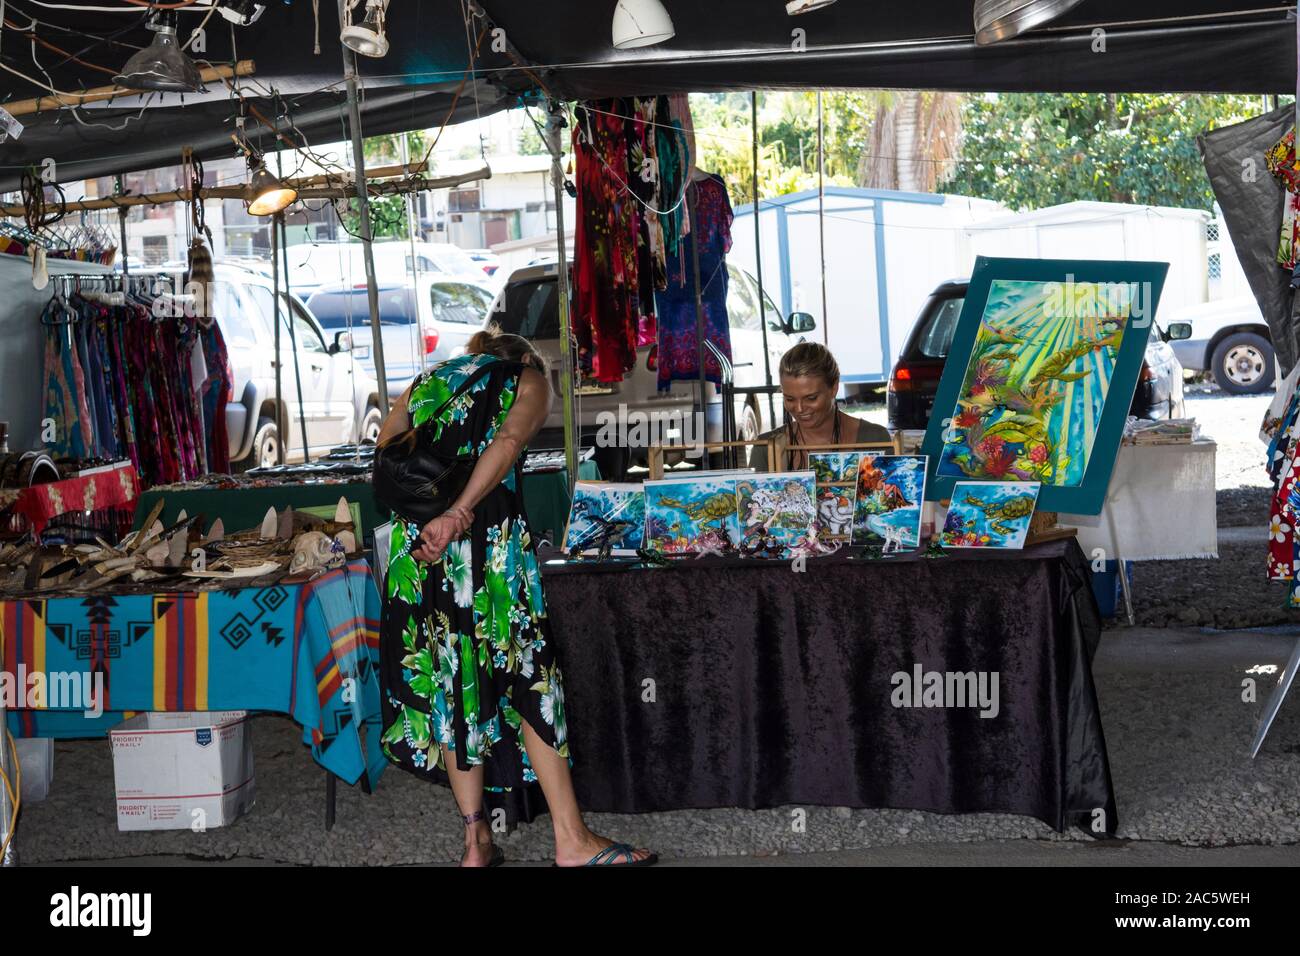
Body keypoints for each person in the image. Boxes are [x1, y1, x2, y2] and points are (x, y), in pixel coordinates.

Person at [376, 327, 657, 868]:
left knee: (454, 688)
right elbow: (507, 443)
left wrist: (430, 522)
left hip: (421, 552)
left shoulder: (426, 382)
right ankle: (571, 839)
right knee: (531, 677)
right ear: (524, 359)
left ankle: (475, 842)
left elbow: (387, 453)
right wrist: (459, 512)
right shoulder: (528, 379)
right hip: (489, 549)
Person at [749, 342, 894, 472]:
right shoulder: (766, 448)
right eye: (790, 399)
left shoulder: (874, 439)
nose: (799, 408)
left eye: (811, 398)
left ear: (834, 388)